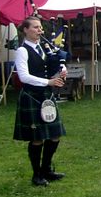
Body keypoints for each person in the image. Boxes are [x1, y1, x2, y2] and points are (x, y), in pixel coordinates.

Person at [13, 16, 67, 187]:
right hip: (32, 96)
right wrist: (48, 82)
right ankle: (37, 175)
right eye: (36, 27)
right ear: (25, 30)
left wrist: (61, 71)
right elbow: (23, 77)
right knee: (37, 138)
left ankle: (47, 170)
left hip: (46, 95)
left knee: (55, 134)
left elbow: (52, 65)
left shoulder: (43, 47)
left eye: (40, 27)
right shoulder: (22, 51)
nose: (40, 30)